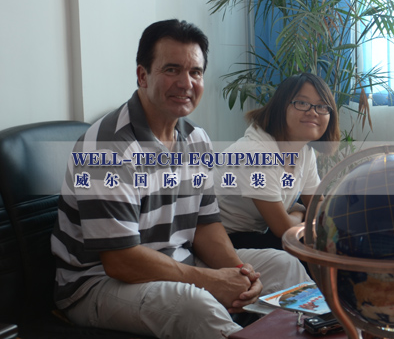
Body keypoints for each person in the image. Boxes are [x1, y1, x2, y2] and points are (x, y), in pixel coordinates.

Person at [51, 19, 311, 339]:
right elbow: (120, 260)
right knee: (195, 304)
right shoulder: (109, 146)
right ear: (142, 75)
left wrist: (239, 274)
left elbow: (205, 224)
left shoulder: (196, 139)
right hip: (97, 284)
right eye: (172, 69)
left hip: (178, 260)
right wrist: (210, 281)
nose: (186, 83)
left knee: (284, 266)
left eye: (195, 72)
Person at [215, 73, 341, 250]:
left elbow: (317, 204)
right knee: (310, 249)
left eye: (321, 106)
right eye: (302, 103)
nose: (312, 112)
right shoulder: (256, 154)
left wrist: (307, 215)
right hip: (222, 238)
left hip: (257, 232)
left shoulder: (305, 151)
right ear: (281, 107)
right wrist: (299, 212)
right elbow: (284, 229)